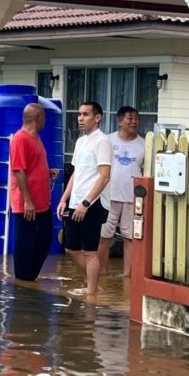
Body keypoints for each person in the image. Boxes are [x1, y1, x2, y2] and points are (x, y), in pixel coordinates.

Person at [56, 101, 113, 295]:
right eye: (79, 114)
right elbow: (76, 173)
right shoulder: (81, 141)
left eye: (86, 114)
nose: (81, 118)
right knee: (70, 249)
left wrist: (87, 202)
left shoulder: (102, 141)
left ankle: (92, 294)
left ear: (97, 118)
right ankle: (93, 285)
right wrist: (64, 199)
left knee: (90, 251)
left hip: (93, 203)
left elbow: (104, 176)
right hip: (75, 201)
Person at [9, 103, 55, 281]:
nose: (46, 120)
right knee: (26, 241)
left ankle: (31, 277)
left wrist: (47, 173)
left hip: (42, 201)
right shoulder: (21, 139)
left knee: (44, 238)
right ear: (37, 118)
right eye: (43, 116)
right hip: (27, 203)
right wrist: (27, 201)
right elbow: (19, 170)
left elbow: (34, 165)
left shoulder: (36, 138)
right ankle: (22, 278)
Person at [99, 106, 145, 277]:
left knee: (130, 237)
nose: (134, 122)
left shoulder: (143, 144)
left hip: (132, 198)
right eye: (129, 118)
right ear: (120, 121)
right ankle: (102, 274)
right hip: (108, 196)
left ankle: (127, 276)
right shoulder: (108, 141)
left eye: (136, 118)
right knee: (104, 236)